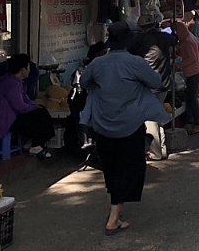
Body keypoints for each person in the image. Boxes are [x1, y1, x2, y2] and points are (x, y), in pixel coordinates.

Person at [79, 20, 170, 236]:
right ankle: (113, 218)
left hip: (103, 125)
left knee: (111, 168)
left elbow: (84, 83)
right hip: (130, 125)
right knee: (129, 168)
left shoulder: (98, 63)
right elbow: (155, 81)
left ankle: (115, 209)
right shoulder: (135, 63)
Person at [0, 53, 56, 159]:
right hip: (1, 120)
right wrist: (34, 108)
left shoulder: (16, 82)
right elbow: (20, 107)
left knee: (41, 111)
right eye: (28, 67)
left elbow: (26, 100)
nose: (29, 69)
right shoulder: (11, 84)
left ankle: (34, 143)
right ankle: (35, 145)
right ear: (22, 69)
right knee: (40, 115)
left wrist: (36, 106)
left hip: (8, 116)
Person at [129, 12, 175, 93]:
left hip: (146, 83)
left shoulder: (138, 39)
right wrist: (172, 26)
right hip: (164, 83)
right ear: (154, 25)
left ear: (141, 28)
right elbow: (175, 39)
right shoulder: (165, 37)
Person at [173, 20, 199, 134]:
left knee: (192, 100)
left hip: (192, 73)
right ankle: (189, 122)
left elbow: (192, 58)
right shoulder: (190, 37)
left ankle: (197, 123)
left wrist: (179, 65)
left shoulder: (187, 41)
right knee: (190, 99)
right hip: (194, 71)